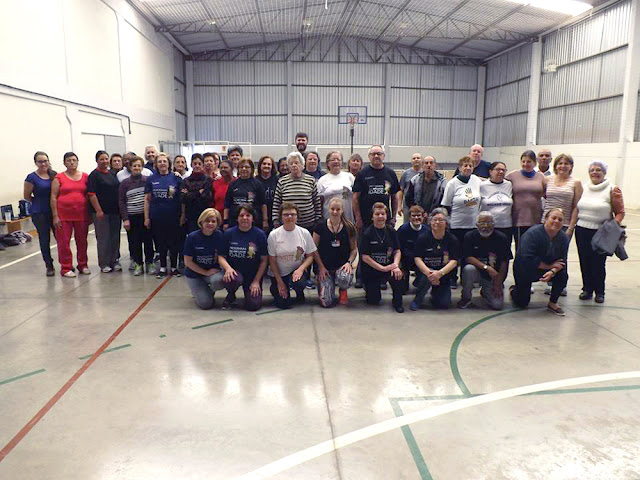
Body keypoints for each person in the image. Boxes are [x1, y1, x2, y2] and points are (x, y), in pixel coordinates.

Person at [575, 161, 625, 303]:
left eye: (598, 170)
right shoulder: (584, 188)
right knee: (584, 261)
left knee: (598, 263)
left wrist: (612, 227)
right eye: (592, 170)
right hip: (581, 229)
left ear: (604, 172)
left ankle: (599, 292)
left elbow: (620, 213)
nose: (595, 172)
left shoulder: (612, 189)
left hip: (601, 232)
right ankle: (587, 289)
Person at [511, 208, 569, 315]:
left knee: (563, 274)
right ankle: (514, 290)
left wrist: (552, 271)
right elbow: (526, 259)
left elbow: (563, 261)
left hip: (548, 268)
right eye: (553, 218)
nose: (556, 221)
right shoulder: (532, 234)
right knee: (522, 302)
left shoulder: (564, 238)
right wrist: (549, 267)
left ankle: (553, 302)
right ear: (546, 219)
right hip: (525, 269)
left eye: (560, 220)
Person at [542, 153, 583, 296]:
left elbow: (576, 206)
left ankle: (560, 284)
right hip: (546, 223)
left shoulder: (576, 182)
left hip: (564, 224)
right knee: (547, 253)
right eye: (560, 163)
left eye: (566, 163)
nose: (563, 166)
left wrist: (571, 226)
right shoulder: (547, 180)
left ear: (571, 166)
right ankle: (549, 282)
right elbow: (543, 198)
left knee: (561, 254)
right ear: (555, 166)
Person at [441, 156, 482, 286]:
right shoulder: (452, 183)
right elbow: (445, 205)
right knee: (455, 254)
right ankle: (452, 279)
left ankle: (466, 279)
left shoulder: (476, 181)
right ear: (459, 168)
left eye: (470, 165)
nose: (468, 168)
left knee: (468, 254)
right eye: (465, 165)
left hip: (472, 225)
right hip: (456, 225)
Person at [219, 204, 269, 311]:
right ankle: (231, 294)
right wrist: (228, 269)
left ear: (253, 218)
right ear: (237, 218)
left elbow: (264, 260)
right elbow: (221, 256)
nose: (245, 218)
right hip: (235, 273)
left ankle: (249, 294)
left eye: (248, 215)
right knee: (232, 279)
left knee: (253, 306)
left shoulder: (260, 235)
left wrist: (256, 281)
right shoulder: (229, 233)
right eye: (241, 215)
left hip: (252, 275)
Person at [267, 203, 317, 309]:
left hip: (296, 272)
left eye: (293, 214)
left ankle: (299, 292)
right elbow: (272, 261)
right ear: (281, 217)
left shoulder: (304, 233)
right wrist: (279, 282)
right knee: (283, 304)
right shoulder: (273, 235)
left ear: (297, 216)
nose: (290, 217)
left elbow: (310, 256)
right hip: (279, 273)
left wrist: (301, 269)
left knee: (299, 282)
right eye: (286, 215)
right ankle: (276, 288)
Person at [458, 211, 511, 310]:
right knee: (468, 269)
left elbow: (505, 261)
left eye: (489, 223)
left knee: (497, 305)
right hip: (476, 272)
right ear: (476, 224)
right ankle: (466, 298)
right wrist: (486, 268)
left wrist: (499, 281)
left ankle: (486, 291)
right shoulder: (469, 236)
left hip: (493, 276)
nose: (485, 226)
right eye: (482, 223)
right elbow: (468, 257)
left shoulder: (501, 238)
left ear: (494, 224)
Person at [360, 202, 405, 313]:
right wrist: (381, 268)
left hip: (389, 267)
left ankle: (397, 302)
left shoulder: (392, 231)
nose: (380, 216)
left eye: (382, 214)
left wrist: (395, 265)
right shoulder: (367, 233)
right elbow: (365, 257)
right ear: (372, 217)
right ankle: (369, 288)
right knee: (373, 300)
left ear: (386, 216)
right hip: (372, 269)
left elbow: (397, 251)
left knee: (398, 276)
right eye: (377, 214)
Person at [410, 208, 459, 310]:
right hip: (426, 273)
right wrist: (430, 273)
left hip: (443, 273)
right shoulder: (422, 238)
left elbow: (454, 261)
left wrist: (440, 273)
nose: (437, 222)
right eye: (435, 220)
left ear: (446, 223)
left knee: (443, 304)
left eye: (441, 220)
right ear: (430, 222)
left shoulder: (452, 239)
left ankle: (436, 293)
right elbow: (417, 258)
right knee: (425, 279)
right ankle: (417, 299)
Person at [50, 152, 90, 277]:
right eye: (69, 160)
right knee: (64, 243)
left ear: (77, 162)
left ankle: (83, 265)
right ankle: (66, 267)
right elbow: (53, 197)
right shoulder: (59, 178)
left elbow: (89, 195)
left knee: (82, 241)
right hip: (63, 215)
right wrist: (55, 216)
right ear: (64, 163)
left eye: (74, 160)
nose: (72, 162)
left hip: (81, 214)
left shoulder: (85, 177)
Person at [313, 198, 357, 307]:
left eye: (338, 209)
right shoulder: (320, 226)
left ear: (342, 210)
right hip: (325, 267)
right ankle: (326, 286)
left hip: (341, 267)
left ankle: (343, 290)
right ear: (328, 209)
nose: (335, 212)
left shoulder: (349, 227)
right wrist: (321, 267)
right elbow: (314, 249)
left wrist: (349, 263)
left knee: (344, 278)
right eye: (332, 209)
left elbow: (354, 250)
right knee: (326, 302)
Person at [144, 153, 183, 278]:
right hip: (157, 216)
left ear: (168, 164)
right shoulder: (151, 179)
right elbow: (147, 199)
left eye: (164, 161)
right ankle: (162, 267)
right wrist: (146, 217)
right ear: (156, 164)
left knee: (173, 242)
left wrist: (182, 215)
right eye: (159, 161)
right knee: (161, 243)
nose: (162, 164)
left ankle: (174, 267)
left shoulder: (176, 178)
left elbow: (182, 199)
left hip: (173, 216)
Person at [183, 208, 226, 309]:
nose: (210, 223)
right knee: (205, 304)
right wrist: (205, 272)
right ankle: (199, 292)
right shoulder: (192, 237)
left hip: (212, 273)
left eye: (213, 221)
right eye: (207, 221)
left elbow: (221, 257)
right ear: (201, 221)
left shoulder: (219, 236)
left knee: (219, 280)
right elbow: (188, 262)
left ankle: (207, 291)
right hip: (195, 275)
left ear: (217, 223)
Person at [119, 156, 154, 276]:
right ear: (130, 167)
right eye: (134, 166)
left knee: (148, 241)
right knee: (135, 242)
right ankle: (138, 263)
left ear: (142, 167)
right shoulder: (125, 183)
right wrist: (125, 219)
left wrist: (148, 217)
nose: (137, 168)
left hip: (145, 216)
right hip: (132, 217)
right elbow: (121, 201)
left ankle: (149, 263)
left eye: (139, 165)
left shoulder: (147, 180)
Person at [88, 150, 121, 273]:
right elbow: (92, 194)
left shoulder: (112, 173)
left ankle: (114, 260)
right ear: (97, 161)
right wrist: (98, 210)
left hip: (115, 212)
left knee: (115, 237)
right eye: (102, 159)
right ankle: (104, 263)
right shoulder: (94, 175)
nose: (105, 161)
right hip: (102, 213)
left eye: (106, 159)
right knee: (104, 238)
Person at [24, 151, 57, 276]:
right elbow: (27, 196)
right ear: (36, 163)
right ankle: (49, 265)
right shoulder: (31, 177)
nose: (43, 164)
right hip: (39, 213)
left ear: (48, 161)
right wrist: (38, 202)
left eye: (45, 161)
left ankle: (66, 264)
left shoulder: (54, 175)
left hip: (55, 211)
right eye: (40, 161)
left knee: (61, 238)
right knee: (44, 239)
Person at [506, 150, 546, 251]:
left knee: (535, 249)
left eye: (529, 162)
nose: (525, 164)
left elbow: (547, 194)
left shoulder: (541, 176)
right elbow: (497, 181)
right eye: (523, 161)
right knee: (521, 249)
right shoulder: (512, 176)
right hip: (519, 219)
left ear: (534, 163)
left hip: (536, 219)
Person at [352, 145, 400, 229]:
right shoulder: (362, 174)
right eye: (373, 154)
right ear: (369, 157)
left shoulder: (391, 173)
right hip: (365, 220)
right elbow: (355, 198)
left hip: (384, 219)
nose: (376, 156)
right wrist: (358, 218)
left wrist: (393, 217)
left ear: (383, 156)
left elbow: (394, 197)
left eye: (379, 153)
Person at [271, 152, 321, 230]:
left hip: (309, 224)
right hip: (287, 224)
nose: (294, 165)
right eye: (291, 163)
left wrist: (318, 220)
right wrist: (276, 221)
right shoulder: (282, 181)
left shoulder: (310, 180)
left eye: (296, 163)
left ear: (302, 165)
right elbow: (276, 203)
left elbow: (317, 202)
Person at [223, 158, 268, 231]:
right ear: (238, 169)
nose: (244, 169)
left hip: (254, 222)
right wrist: (225, 221)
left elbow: (263, 204)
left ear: (251, 169)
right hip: (234, 222)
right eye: (241, 167)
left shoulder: (258, 184)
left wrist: (265, 220)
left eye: (247, 167)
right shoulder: (233, 184)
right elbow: (227, 205)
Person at [316, 151, 355, 221]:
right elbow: (319, 201)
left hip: (347, 217)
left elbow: (355, 197)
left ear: (341, 162)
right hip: (328, 217)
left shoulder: (349, 177)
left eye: (338, 159)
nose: (336, 161)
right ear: (328, 163)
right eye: (333, 160)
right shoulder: (322, 180)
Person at [480, 161, 513, 243]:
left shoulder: (509, 185)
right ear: (490, 172)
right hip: (488, 226)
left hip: (506, 226)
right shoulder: (482, 186)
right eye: (498, 169)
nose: (501, 172)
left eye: (503, 170)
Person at [397, 205, 427, 290]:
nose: (416, 218)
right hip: (405, 261)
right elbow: (397, 248)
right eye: (413, 216)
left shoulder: (427, 230)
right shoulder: (403, 230)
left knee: (422, 284)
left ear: (423, 216)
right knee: (402, 289)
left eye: (419, 215)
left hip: (421, 262)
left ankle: (418, 280)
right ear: (409, 217)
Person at [181, 155, 213, 233]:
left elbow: (206, 198)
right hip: (190, 216)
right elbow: (184, 198)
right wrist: (198, 192)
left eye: (199, 164)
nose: (197, 166)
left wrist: (190, 194)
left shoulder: (208, 180)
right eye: (195, 164)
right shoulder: (185, 181)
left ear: (203, 165)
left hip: (204, 214)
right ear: (191, 165)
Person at [399, 153, 424, 223]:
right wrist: (399, 206)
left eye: (418, 158)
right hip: (407, 206)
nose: (416, 160)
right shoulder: (406, 174)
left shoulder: (425, 173)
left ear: (422, 160)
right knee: (407, 224)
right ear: (411, 161)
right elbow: (401, 190)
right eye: (414, 158)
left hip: (421, 205)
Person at [256, 156, 278, 231]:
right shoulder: (255, 180)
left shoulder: (277, 180)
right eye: (264, 164)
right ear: (260, 166)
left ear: (272, 167)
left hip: (274, 215)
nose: (266, 166)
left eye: (269, 164)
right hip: (258, 216)